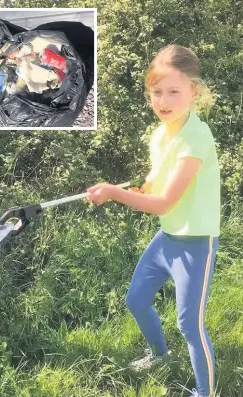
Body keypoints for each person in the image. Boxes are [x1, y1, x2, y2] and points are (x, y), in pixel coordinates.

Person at [87, 44, 220, 397]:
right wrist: (137, 185)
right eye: (156, 92)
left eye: (174, 91)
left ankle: (206, 393)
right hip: (168, 238)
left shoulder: (196, 137)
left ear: (193, 91)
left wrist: (115, 193)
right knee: (136, 300)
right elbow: (156, 181)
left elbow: (162, 203)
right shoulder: (162, 134)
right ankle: (160, 356)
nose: (163, 100)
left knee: (190, 325)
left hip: (195, 243)